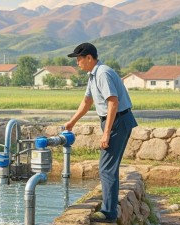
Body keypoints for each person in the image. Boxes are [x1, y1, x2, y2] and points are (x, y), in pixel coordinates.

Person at [65, 43, 137, 223]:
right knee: (108, 168)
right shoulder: (93, 75)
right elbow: (87, 102)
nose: (77, 63)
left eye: (79, 59)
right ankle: (109, 208)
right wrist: (72, 122)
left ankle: (109, 213)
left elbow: (113, 102)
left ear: (89, 58)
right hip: (117, 120)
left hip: (118, 121)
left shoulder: (103, 73)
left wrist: (106, 133)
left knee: (106, 168)